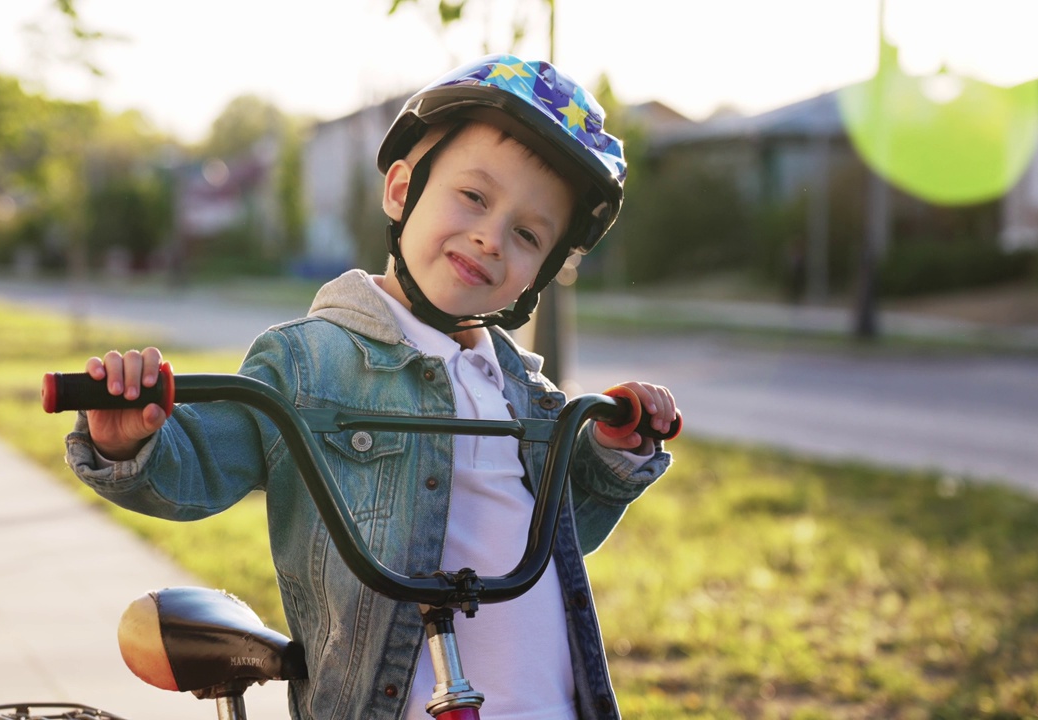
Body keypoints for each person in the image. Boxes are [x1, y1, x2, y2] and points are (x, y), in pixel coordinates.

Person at [65, 54, 677, 720]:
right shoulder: (311, 365)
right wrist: (133, 443)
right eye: (473, 196)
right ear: (401, 191)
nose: (490, 236)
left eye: (528, 235)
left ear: (546, 269)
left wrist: (610, 454)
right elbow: (202, 464)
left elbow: (558, 542)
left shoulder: (524, 393)